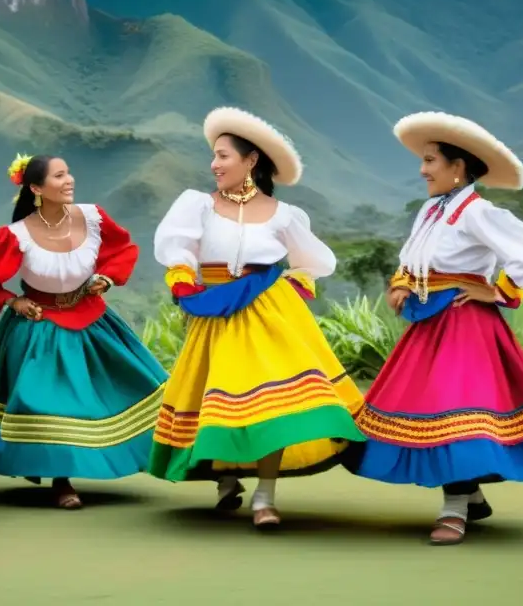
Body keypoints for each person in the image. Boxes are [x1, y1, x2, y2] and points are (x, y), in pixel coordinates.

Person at [345, 111, 523, 546]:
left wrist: (499, 290)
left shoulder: (478, 212)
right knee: (428, 412)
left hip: (464, 324)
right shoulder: (431, 211)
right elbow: (413, 257)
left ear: (457, 168)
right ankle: (470, 496)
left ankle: (453, 511)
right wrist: (401, 284)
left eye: (431, 160)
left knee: (453, 413)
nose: (422, 169)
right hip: (429, 322)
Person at [148, 107, 366, 529]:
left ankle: (265, 495)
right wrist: (181, 276)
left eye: (224, 155)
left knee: (274, 404)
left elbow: (313, 261)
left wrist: (297, 286)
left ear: (251, 161)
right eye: (214, 155)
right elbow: (181, 249)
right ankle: (226, 476)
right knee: (224, 399)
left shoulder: (283, 214)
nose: (215, 164)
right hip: (215, 312)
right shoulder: (198, 205)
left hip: (269, 314)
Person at [0, 153, 169, 509]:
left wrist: (106, 276)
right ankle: (61, 480)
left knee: (130, 387)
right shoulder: (15, 235)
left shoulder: (93, 218)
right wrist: (14, 302)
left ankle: (148, 455)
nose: (69, 180)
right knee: (48, 402)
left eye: (69, 173)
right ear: (36, 188)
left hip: (93, 322)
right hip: (39, 328)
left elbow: (122, 249)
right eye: (59, 176)